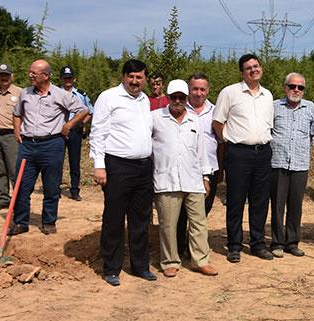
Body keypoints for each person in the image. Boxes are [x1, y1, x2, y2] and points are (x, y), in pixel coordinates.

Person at [90, 59, 156, 286]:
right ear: (123, 76)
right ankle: (111, 268)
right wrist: (99, 164)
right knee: (114, 218)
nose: (135, 81)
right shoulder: (109, 97)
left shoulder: (145, 100)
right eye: (131, 76)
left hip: (143, 167)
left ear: (145, 79)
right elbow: (97, 132)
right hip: (117, 166)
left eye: (139, 77)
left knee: (141, 219)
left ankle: (139, 266)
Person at [10, 59, 88, 236]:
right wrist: (17, 131)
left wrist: (69, 125)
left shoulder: (61, 95)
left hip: (52, 145)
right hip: (27, 145)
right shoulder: (25, 93)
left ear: (45, 76)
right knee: (22, 185)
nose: (30, 75)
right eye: (30, 72)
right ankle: (21, 222)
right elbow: (16, 114)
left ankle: (49, 221)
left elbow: (83, 110)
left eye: (34, 73)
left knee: (51, 185)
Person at [151, 79, 218, 278]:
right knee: (168, 224)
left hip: (193, 179)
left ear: (186, 98)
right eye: (174, 97)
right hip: (166, 179)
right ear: (168, 98)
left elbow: (201, 151)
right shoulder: (154, 118)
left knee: (199, 222)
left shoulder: (194, 120)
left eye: (182, 97)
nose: (178, 101)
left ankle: (201, 260)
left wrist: (205, 177)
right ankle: (170, 261)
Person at [213, 53, 275, 262]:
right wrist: (229, 142)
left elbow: (269, 124)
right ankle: (234, 245)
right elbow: (218, 123)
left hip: (263, 152)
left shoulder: (268, 95)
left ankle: (258, 244)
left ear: (261, 68)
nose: (253, 70)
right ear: (242, 72)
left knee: (260, 201)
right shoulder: (230, 93)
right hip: (238, 154)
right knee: (236, 201)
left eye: (256, 66)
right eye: (248, 68)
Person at [269, 72, 314, 257]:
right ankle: (277, 242)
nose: (296, 90)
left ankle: (292, 242)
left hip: (300, 164)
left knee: (296, 206)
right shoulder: (274, 107)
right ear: (285, 87)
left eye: (300, 87)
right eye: (292, 86)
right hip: (277, 163)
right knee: (278, 206)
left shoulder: (310, 108)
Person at [175, 73, 217, 257]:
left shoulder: (216, 111)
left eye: (202, 89)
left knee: (202, 212)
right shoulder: (178, 109)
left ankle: (194, 248)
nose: (198, 93)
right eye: (195, 89)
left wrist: (220, 168)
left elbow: (221, 141)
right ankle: (178, 248)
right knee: (181, 213)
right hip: (183, 169)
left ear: (207, 90)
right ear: (188, 90)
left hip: (210, 168)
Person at [59, 65, 93, 202]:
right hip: (59, 131)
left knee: (74, 161)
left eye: (70, 78)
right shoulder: (55, 93)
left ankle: (74, 190)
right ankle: (55, 188)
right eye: (65, 78)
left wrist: (81, 123)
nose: (68, 80)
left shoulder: (81, 94)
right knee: (56, 161)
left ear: (74, 79)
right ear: (61, 79)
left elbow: (90, 111)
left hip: (75, 131)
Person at [0, 63, 21, 210]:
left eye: (6, 75)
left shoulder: (20, 93)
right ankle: (3, 198)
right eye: (1, 75)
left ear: (12, 76)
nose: (4, 78)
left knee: (14, 169)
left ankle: (19, 199)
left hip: (11, 135)